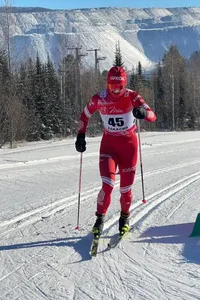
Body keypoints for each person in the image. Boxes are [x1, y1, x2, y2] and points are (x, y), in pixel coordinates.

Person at [75, 66, 156, 238]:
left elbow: (152, 115)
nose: (115, 90)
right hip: (109, 146)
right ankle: (99, 219)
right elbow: (84, 115)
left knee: (126, 189)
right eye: (112, 87)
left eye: (119, 87)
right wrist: (81, 136)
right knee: (108, 184)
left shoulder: (132, 96)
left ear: (124, 85)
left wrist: (142, 112)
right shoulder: (100, 98)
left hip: (129, 147)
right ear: (108, 84)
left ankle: (124, 217)